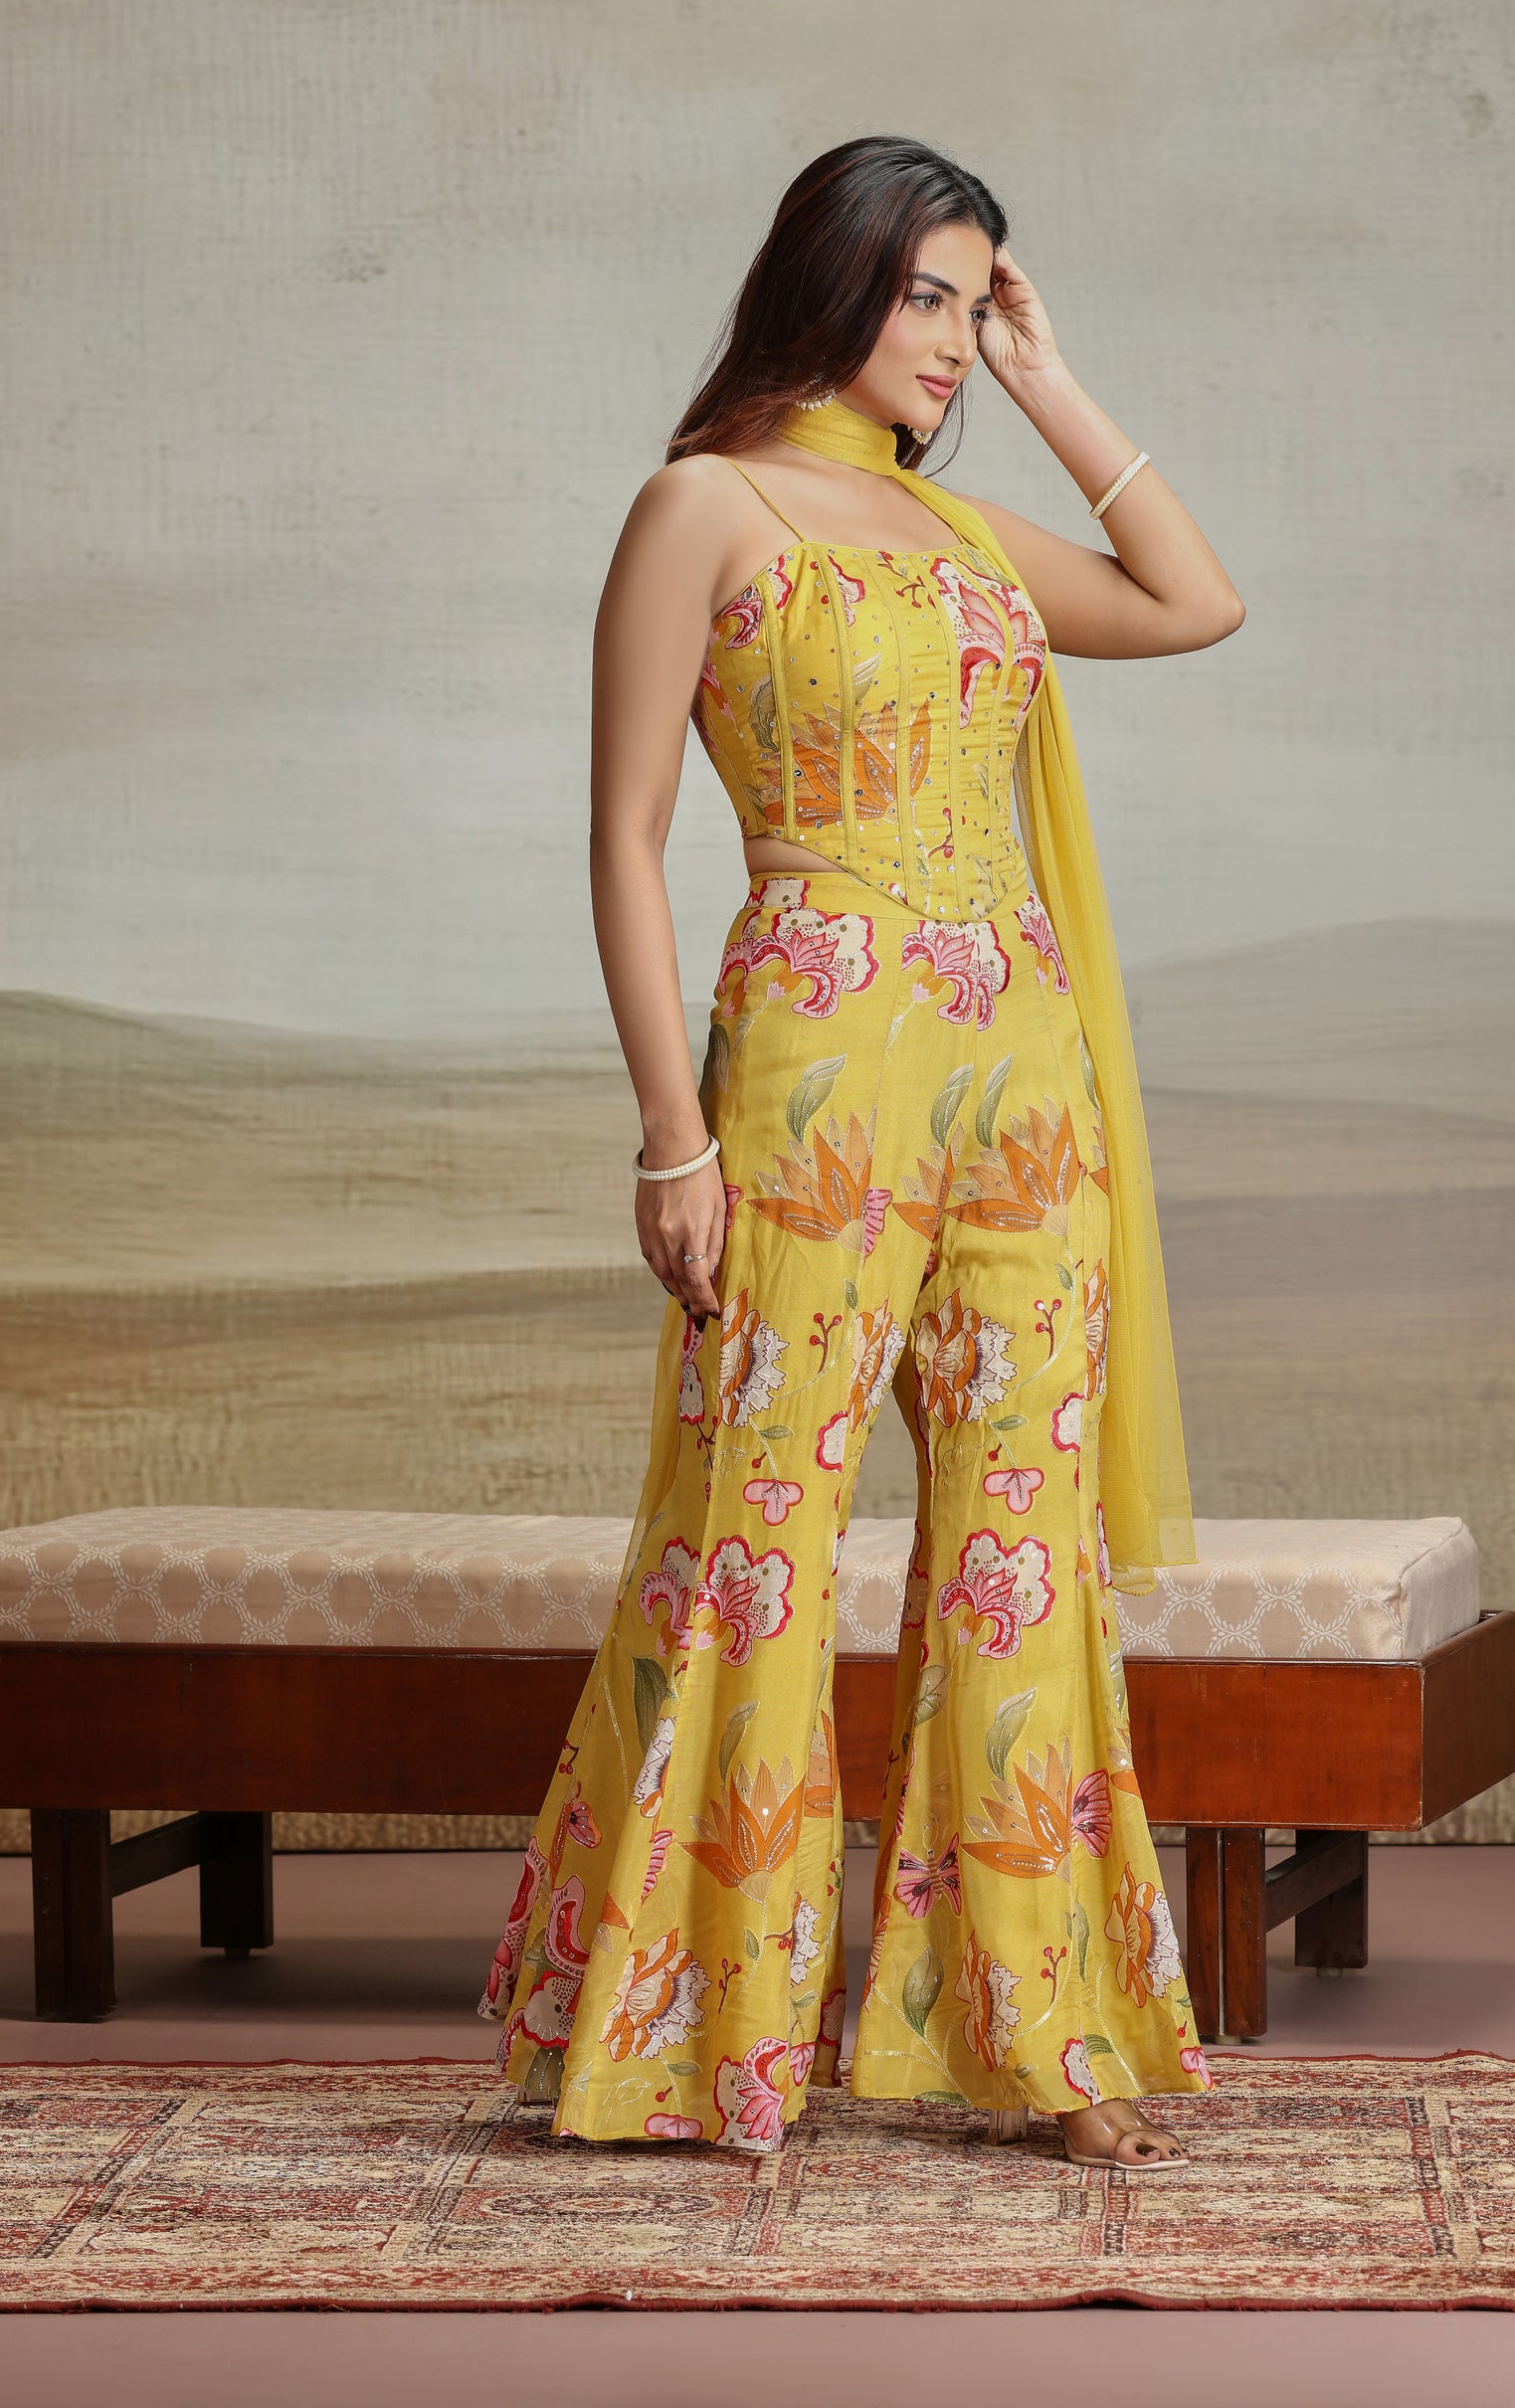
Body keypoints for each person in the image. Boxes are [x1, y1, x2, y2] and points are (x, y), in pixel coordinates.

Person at [479, 135, 1245, 2169]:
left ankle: (1040, 2033)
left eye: (977, 306)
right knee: (765, 1542)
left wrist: (1059, 377)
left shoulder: (969, 533)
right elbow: (622, 837)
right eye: (929, 298)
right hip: (809, 1084)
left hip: (1023, 1082)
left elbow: (1198, 599)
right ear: (829, 284)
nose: (955, 346)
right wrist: (669, 1134)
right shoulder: (701, 506)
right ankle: (691, 2031)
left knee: (1017, 1552)